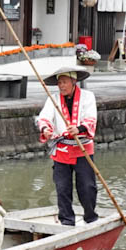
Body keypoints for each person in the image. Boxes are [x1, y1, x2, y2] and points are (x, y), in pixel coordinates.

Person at [36, 68, 98, 226]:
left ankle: (90, 217)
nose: (61, 86)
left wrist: (80, 129)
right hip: (62, 148)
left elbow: (91, 117)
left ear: (73, 82)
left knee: (87, 186)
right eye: (59, 83)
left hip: (82, 147)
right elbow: (44, 117)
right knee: (62, 187)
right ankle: (66, 220)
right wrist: (46, 129)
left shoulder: (87, 96)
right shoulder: (53, 98)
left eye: (64, 82)